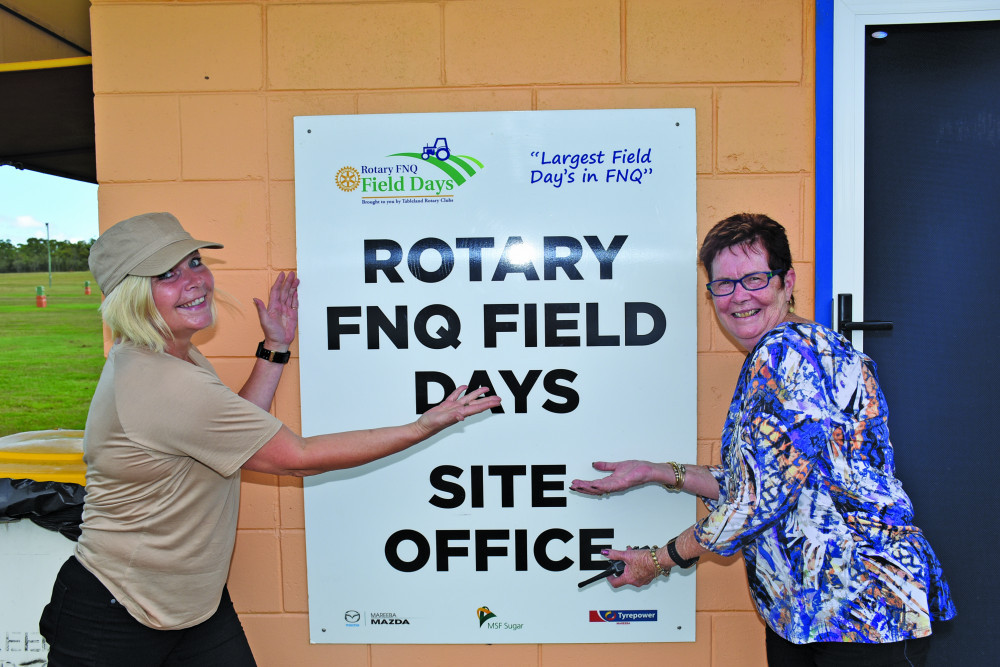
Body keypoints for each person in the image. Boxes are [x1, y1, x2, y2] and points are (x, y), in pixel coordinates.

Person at [39, 212, 501, 666]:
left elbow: (233, 433)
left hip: (191, 606)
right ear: (133, 296)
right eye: (167, 275)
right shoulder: (162, 382)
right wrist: (422, 427)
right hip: (119, 608)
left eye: (195, 262)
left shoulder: (172, 357)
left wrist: (275, 348)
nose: (195, 280)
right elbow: (297, 458)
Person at [570, 213, 955, 666]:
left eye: (754, 278)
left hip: (860, 612)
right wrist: (662, 473)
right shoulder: (793, 350)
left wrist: (658, 560)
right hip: (808, 612)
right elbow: (771, 482)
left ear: (786, 281)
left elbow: (754, 501)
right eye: (723, 285)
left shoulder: (785, 356)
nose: (738, 297)